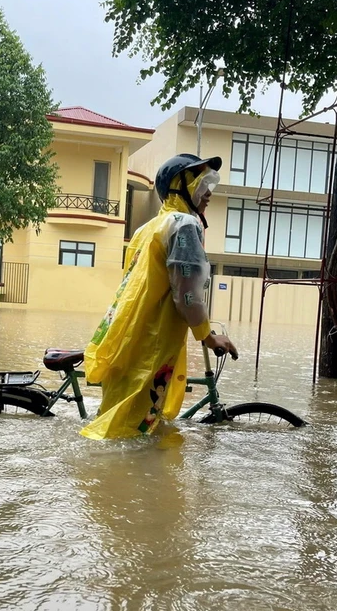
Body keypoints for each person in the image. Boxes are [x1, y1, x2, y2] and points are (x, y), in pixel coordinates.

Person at [82, 154, 237, 440]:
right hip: (150, 347)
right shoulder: (183, 226)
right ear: (181, 186)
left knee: (122, 426)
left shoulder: (146, 229)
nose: (209, 194)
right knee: (130, 433)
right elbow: (187, 293)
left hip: (124, 338)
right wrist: (208, 336)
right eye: (202, 184)